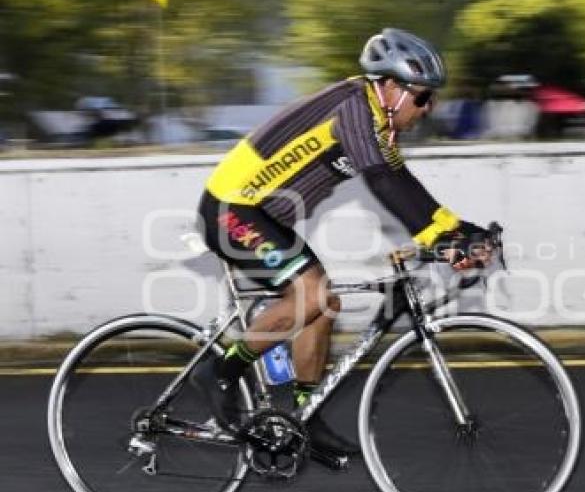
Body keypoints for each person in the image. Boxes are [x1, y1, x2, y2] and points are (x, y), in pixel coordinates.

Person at [192, 28, 492, 460]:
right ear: (390, 87)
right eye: (423, 97)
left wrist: (458, 231)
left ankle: (304, 417)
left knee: (322, 303)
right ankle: (221, 370)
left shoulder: (376, 122)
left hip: (261, 216)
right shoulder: (354, 109)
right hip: (231, 211)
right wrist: (441, 241)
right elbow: (384, 184)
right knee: (312, 293)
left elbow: (405, 185)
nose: (429, 108)